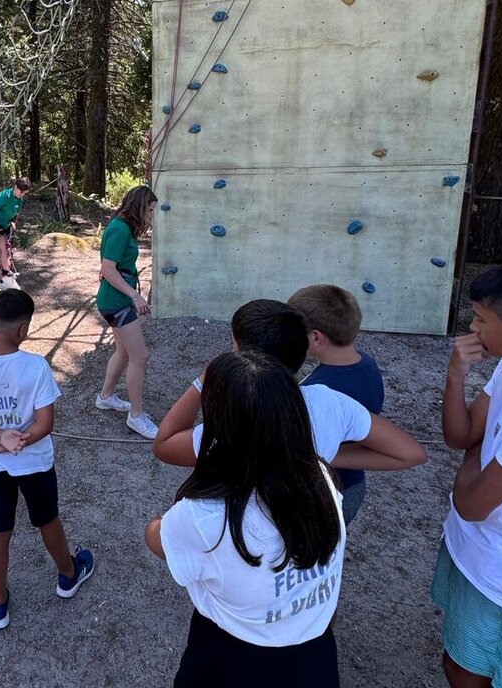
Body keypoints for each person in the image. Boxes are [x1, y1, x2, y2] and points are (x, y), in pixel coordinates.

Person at [145, 351, 345, 686]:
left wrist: (203, 379)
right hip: (314, 652)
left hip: (232, 657)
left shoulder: (205, 517)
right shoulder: (321, 477)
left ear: (217, 426)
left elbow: (156, 537)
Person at [153, 299, 426, 478]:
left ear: (244, 359)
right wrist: (322, 455)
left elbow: (164, 445)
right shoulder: (331, 403)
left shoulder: (234, 421)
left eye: (233, 346)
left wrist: (204, 379)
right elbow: (411, 453)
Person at [0, 289, 93, 629]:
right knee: (48, 521)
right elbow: (45, 423)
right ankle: (68, 574)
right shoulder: (36, 367)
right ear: (22, 331)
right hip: (35, 464)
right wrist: (20, 439)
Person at [434, 262, 502, 688]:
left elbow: (471, 503)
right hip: (479, 554)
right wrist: (455, 374)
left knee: (469, 675)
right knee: (457, 660)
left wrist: (472, 460)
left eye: (481, 319)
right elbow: (461, 435)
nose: (471, 328)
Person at [288, 284, 385, 525]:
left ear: (316, 337)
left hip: (323, 493)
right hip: (353, 482)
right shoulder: (367, 363)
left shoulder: (320, 393)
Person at [95, 184, 159, 440]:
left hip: (116, 300)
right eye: (150, 210)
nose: (151, 216)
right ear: (140, 206)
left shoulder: (123, 227)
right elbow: (107, 269)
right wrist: (134, 295)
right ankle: (136, 415)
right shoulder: (120, 229)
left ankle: (105, 397)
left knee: (123, 352)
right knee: (140, 356)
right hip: (116, 302)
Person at [0, 177, 30, 288]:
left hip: (5, 226)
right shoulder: (4, 195)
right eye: (21, 192)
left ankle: (2, 282)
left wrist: (13, 222)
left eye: (25, 193)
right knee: (4, 248)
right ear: (15, 187)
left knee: (3, 252)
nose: (22, 194)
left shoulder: (20, 199)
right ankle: (7, 276)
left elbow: (16, 214)